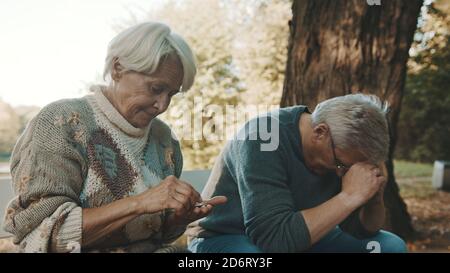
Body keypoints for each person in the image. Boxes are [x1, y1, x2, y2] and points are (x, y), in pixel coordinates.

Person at [2, 22, 226, 253]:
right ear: (118, 68)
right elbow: (41, 234)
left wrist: (179, 218)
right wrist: (139, 203)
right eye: (156, 88)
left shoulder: (164, 139)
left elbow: (158, 235)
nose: (163, 105)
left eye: (171, 94)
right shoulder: (62, 123)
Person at [186, 94, 407, 253]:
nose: (343, 174)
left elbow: (361, 231)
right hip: (223, 237)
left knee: (390, 247)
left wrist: (373, 198)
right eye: (341, 165)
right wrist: (349, 197)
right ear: (320, 132)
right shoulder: (263, 138)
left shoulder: (343, 153)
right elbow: (274, 240)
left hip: (298, 235)